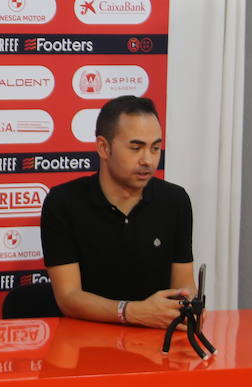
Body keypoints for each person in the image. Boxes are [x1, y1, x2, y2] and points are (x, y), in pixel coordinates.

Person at [39, 95, 196, 329]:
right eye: (136, 148)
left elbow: (184, 282)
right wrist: (131, 312)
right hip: (85, 345)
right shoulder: (63, 202)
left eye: (155, 148)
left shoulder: (175, 200)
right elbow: (69, 298)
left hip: (156, 341)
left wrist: (186, 303)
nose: (148, 160)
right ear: (103, 147)